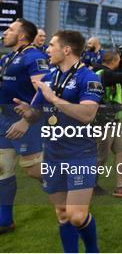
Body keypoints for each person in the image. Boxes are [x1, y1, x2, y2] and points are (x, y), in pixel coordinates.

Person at [9, 30, 103, 252]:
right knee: (62, 215)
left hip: (80, 155)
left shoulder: (88, 78)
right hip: (52, 155)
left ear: (67, 49)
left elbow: (87, 115)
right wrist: (27, 113)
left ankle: (93, 250)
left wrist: (53, 99)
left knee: (77, 216)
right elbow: (36, 112)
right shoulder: (50, 76)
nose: (47, 49)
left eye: (51, 45)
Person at [0, 19, 49, 234]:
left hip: (26, 121)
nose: (5, 32)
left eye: (10, 29)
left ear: (21, 36)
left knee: (33, 170)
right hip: (4, 120)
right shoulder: (9, 57)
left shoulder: (34, 57)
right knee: (2, 170)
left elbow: (44, 92)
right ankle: (5, 221)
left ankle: (73, 185)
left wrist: (26, 120)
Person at [93, 51, 122, 198]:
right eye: (119, 61)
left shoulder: (105, 72)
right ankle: (86, 184)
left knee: (121, 150)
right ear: (114, 60)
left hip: (113, 120)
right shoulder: (103, 73)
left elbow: (119, 75)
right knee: (101, 157)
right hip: (103, 121)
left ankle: (121, 186)